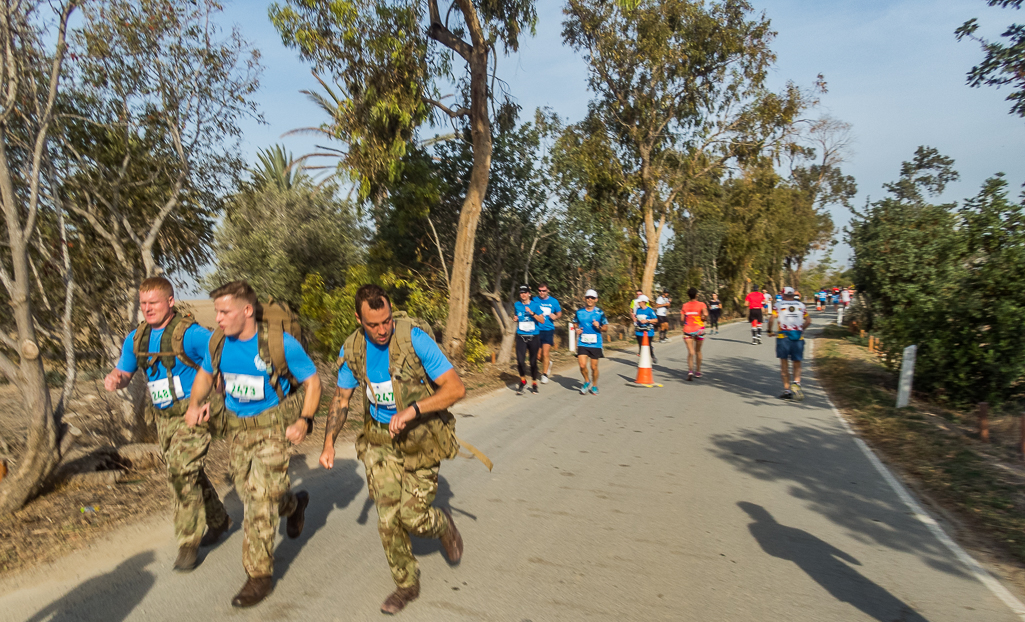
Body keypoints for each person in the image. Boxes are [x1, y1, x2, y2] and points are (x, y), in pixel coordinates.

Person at [321, 284, 466, 615]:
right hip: (379, 439)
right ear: (358, 319)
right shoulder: (353, 349)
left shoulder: (413, 339)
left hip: (422, 436)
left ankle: (442, 524)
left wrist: (413, 411)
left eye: (386, 320)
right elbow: (341, 399)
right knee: (387, 518)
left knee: (412, 516)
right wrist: (329, 442)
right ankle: (406, 584)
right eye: (373, 324)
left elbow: (456, 388)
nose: (382, 330)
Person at [184, 281, 322, 608]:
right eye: (216, 311)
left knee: (259, 499)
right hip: (237, 429)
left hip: (273, 426)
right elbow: (205, 376)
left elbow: (313, 382)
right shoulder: (217, 342)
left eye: (224, 311)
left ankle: (258, 575)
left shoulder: (279, 343)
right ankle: (294, 504)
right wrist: (195, 403)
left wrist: (304, 420)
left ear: (247, 311)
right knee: (253, 491)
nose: (217, 318)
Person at [103, 276, 229, 573]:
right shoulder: (136, 339)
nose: (147, 309)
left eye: (153, 303)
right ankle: (219, 519)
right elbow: (125, 370)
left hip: (192, 414)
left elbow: (226, 356)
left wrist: (218, 399)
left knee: (180, 473)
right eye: (143, 303)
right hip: (163, 418)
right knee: (187, 471)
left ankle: (188, 543)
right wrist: (115, 378)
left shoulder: (191, 334)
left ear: (170, 302)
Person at [768, 286, 811, 401]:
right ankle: (796, 383)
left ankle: (787, 391)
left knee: (784, 365)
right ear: (793, 295)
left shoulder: (778, 305)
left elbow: (772, 319)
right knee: (797, 363)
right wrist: (801, 329)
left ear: (782, 295)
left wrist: (769, 331)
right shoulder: (801, 306)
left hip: (783, 337)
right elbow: (808, 321)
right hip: (798, 337)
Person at [574, 289, 608, 395]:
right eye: (588, 297)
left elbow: (606, 327)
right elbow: (575, 323)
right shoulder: (579, 312)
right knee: (582, 365)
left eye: (592, 298)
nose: (590, 299)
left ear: (596, 300)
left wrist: (599, 327)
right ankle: (586, 381)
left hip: (595, 343)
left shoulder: (599, 313)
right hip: (582, 342)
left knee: (594, 367)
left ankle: (594, 385)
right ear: (585, 299)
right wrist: (577, 330)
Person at [514, 284, 545, 394]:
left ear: (529, 294)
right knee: (520, 361)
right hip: (521, 336)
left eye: (525, 292)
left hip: (533, 336)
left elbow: (542, 320)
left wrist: (532, 313)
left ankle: (534, 383)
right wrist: (515, 318)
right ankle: (523, 381)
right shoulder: (517, 305)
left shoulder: (535, 305)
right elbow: (517, 316)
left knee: (533, 362)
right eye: (521, 293)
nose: (523, 295)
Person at [533, 283, 562, 384]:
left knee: (545, 353)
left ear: (548, 291)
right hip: (536, 330)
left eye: (544, 290)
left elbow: (559, 313)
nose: (541, 292)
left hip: (548, 330)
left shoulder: (553, 301)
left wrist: (556, 316)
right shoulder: (534, 300)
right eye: (540, 290)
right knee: (537, 355)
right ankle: (548, 363)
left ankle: (544, 374)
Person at [680, 288, 709, 380]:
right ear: (696, 295)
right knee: (698, 351)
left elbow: (682, 319)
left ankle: (690, 371)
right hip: (699, 330)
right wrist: (702, 317)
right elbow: (705, 314)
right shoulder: (701, 304)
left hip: (688, 330)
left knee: (691, 352)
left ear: (688, 295)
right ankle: (698, 371)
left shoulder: (684, 306)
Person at [634, 295, 658, 364]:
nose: (639, 303)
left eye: (640, 302)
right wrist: (636, 320)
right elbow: (636, 318)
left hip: (648, 331)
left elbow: (656, 320)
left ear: (644, 302)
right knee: (641, 346)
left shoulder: (649, 310)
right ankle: (643, 361)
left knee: (648, 345)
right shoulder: (638, 310)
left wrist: (647, 321)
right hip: (639, 331)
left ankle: (652, 355)